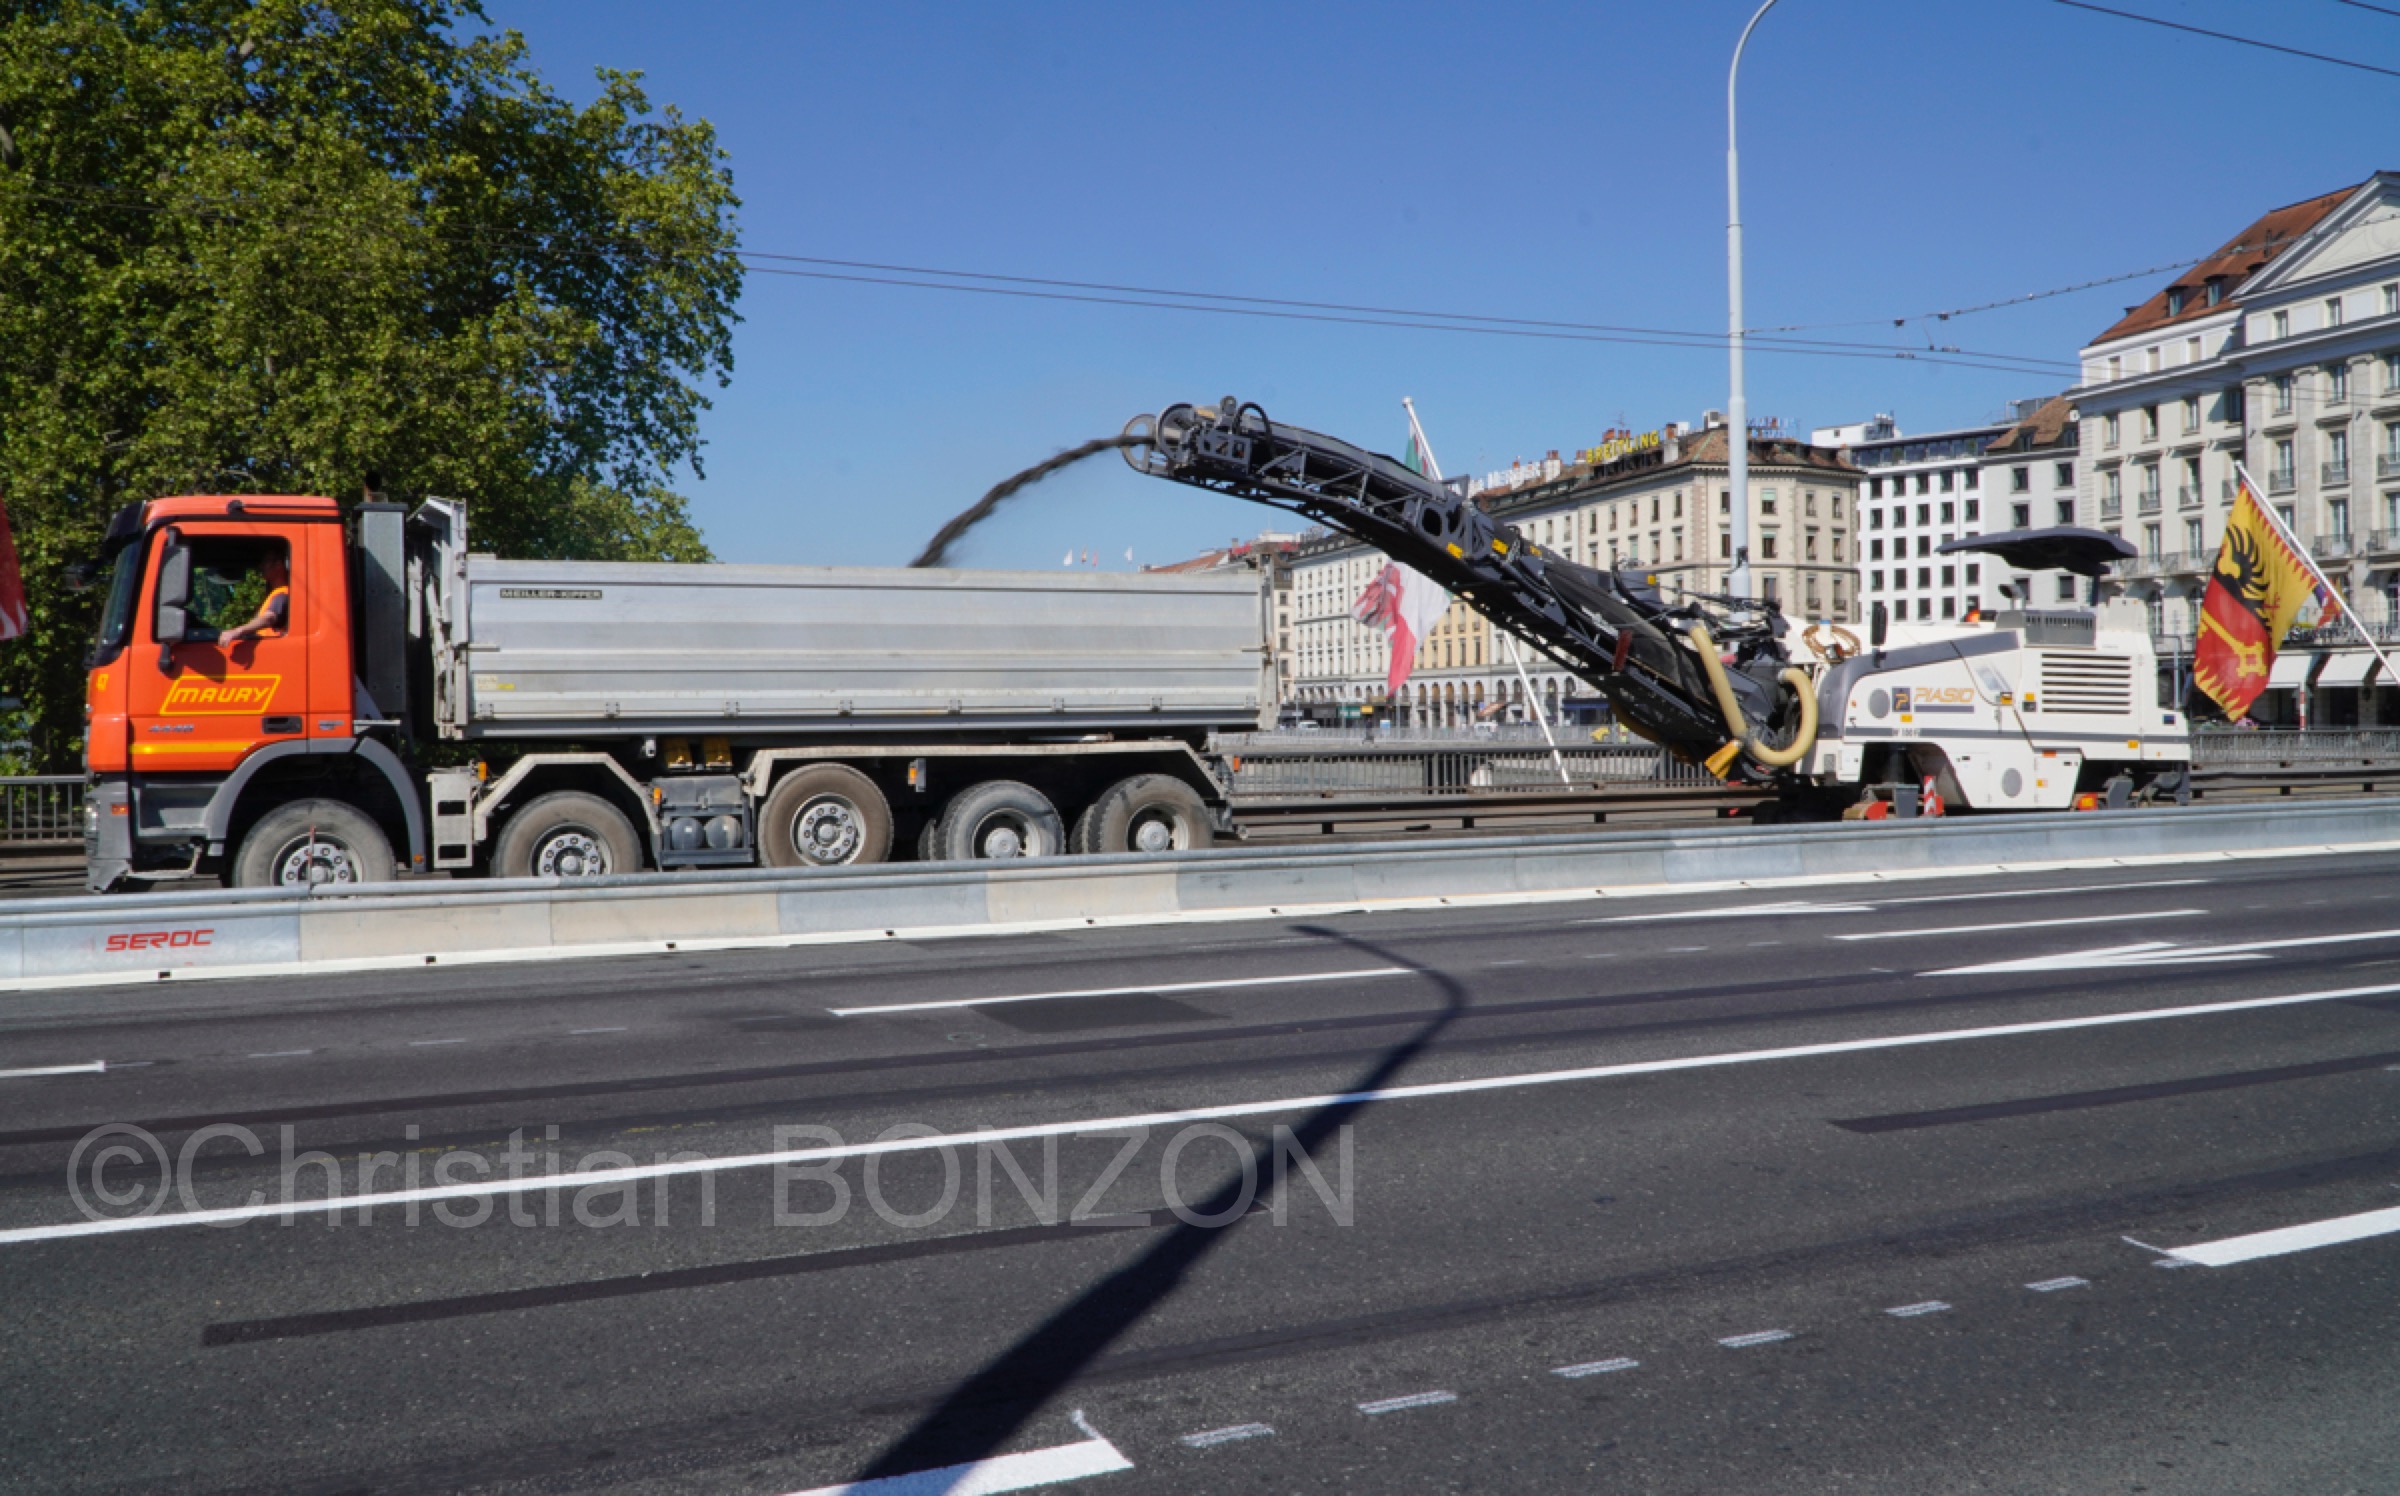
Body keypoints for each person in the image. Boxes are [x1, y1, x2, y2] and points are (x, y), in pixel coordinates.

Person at [218, 555, 290, 644]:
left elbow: (269, 618)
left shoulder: (282, 593)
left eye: (265, 562)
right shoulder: (275, 593)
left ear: (278, 564)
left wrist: (236, 631)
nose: (261, 566)